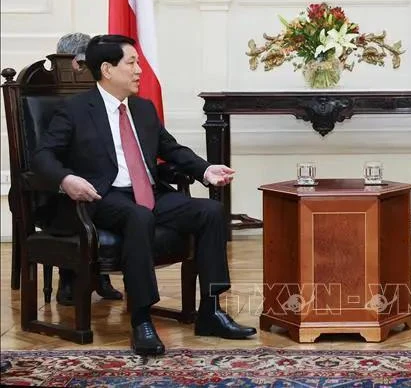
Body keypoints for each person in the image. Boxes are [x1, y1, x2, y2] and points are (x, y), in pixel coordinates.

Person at [32, 34, 256, 355]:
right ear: (107, 69)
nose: (139, 70)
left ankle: (211, 311)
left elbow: (171, 149)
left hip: (149, 191)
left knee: (209, 211)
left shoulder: (143, 108)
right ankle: (141, 320)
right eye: (132, 63)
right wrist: (67, 178)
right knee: (138, 215)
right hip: (103, 196)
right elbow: (43, 156)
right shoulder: (76, 110)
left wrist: (205, 170)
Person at [53, 32, 123, 306]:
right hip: (60, 180)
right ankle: (68, 278)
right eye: (81, 63)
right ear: (70, 63)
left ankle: (102, 275)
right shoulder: (56, 96)